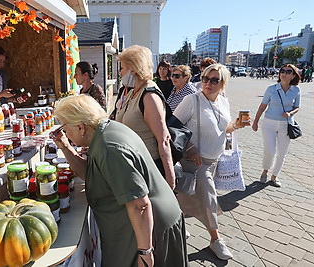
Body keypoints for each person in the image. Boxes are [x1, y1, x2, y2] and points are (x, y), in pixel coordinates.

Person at [51, 94, 189, 267]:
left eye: (65, 128)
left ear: (80, 127)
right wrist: (65, 146)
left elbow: (140, 204)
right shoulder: (103, 132)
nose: (65, 133)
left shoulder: (109, 148)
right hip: (144, 225)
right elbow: (92, 174)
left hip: (150, 230)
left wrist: (145, 252)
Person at [173, 63, 248, 260]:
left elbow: (225, 128)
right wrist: (190, 148)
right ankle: (216, 239)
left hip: (214, 161)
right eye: (205, 78)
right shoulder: (192, 100)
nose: (208, 83)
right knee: (208, 198)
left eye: (214, 80)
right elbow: (173, 127)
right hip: (195, 161)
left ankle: (177, 225)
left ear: (223, 83)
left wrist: (237, 125)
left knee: (187, 196)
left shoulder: (223, 101)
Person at [115, 45, 176, 189]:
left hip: (149, 168)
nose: (120, 73)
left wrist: (170, 180)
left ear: (133, 70)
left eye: (122, 68)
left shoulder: (149, 96)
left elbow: (164, 140)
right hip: (134, 166)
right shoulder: (133, 92)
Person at [252, 64, 301, 187]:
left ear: (293, 75)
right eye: (282, 71)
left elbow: (297, 107)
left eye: (288, 71)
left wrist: (290, 113)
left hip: (286, 124)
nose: (284, 73)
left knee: (282, 152)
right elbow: (262, 106)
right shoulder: (271, 89)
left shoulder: (296, 90)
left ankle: (274, 176)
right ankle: (265, 171)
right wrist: (255, 121)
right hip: (269, 124)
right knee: (270, 150)